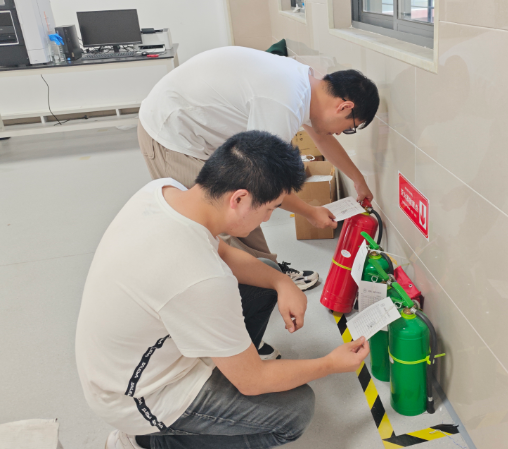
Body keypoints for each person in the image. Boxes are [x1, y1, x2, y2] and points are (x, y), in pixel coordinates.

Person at [75, 131, 370, 449]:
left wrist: (282, 281)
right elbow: (253, 381)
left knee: (265, 273)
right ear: (239, 199)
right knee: (295, 411)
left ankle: (231, 359)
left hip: (129, 358)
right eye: (270, 209)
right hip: (136, 396)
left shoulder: (163, 193)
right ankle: (143, 441)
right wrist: (329, 364)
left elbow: (223, 251)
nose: (268, 218)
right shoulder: (201, 279)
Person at [137, 46, 380, 293]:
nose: (340, 133)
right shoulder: (285, 103)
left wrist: (358, 180)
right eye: (349, 128)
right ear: (344, 107)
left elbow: (322, 137)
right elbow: (265, 179)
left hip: (194, 127)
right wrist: (310, 212)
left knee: (246, 209)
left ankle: (268, 273)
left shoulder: (308, 86)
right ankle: (249, 288)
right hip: (171, 133)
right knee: (218, 218)